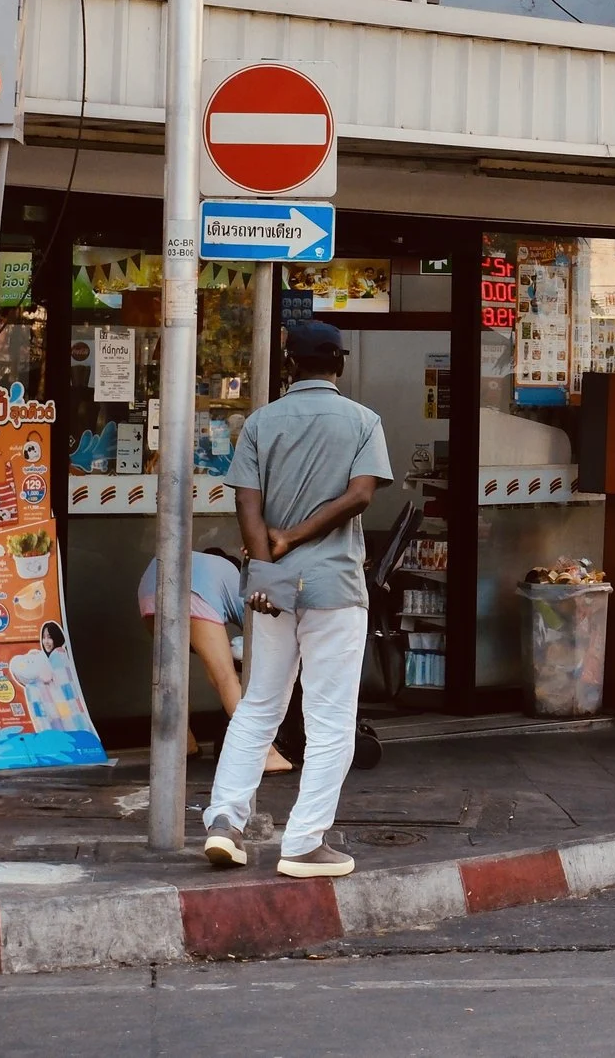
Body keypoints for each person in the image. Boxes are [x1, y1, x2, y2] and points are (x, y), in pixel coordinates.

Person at [199, 322, 394, 879]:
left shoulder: (261, 421)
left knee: (260, 705)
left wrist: (266, 563)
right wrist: (300, 537)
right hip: (334, 586)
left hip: (273, 586)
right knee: (329, 718)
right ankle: (305, 842)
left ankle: (224, 824)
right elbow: (360, 496)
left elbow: (246, 504)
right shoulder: (362, 421)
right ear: (339, 363)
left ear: (290, 365)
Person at [137, 548, 289, 773]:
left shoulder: (211, 566)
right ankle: (264, 753)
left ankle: (182, 743)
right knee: (225, 678)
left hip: (150, 590)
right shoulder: (241, 584)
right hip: (193, 591)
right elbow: (260, 636)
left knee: (173, 677)